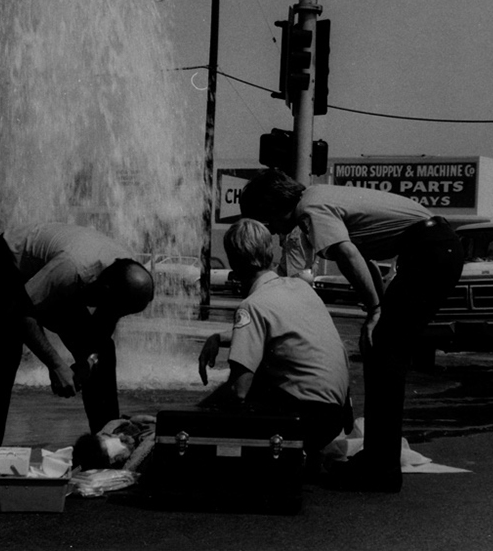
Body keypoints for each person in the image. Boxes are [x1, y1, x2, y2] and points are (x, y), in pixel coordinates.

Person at [238, 168, 464, 492]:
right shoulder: (319, 198)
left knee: (385, 352)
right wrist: (378, 309)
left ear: (272, 204)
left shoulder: (309, 209)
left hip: (431, 251)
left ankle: (381, 468)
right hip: (433, 248)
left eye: (265, 219)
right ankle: (378, 460)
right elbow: (364, 258)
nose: (271, 230)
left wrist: (375, 310)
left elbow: (347, 255)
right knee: (382, 349)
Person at [0, 222, 154, 444]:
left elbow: (101, 333)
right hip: (2, 265)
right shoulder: (73, 268)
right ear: (107, 290)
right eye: (117, 309)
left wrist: (88, 362)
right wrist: (57, 365)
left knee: (102, 351)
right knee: (7, 347)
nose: (117, 315)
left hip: (47, 274)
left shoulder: (125, 277)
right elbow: (22, 314)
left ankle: (107, 441)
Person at [197, 218, 352, 466]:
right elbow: (277, 328)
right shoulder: (301, 289)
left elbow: (239, 391)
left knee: (248, 383)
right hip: (335, 418)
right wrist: (218, 337)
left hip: (304, 420)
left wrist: (197, 413)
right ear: (270, 252)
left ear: (234, 264)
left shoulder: (253, 305)